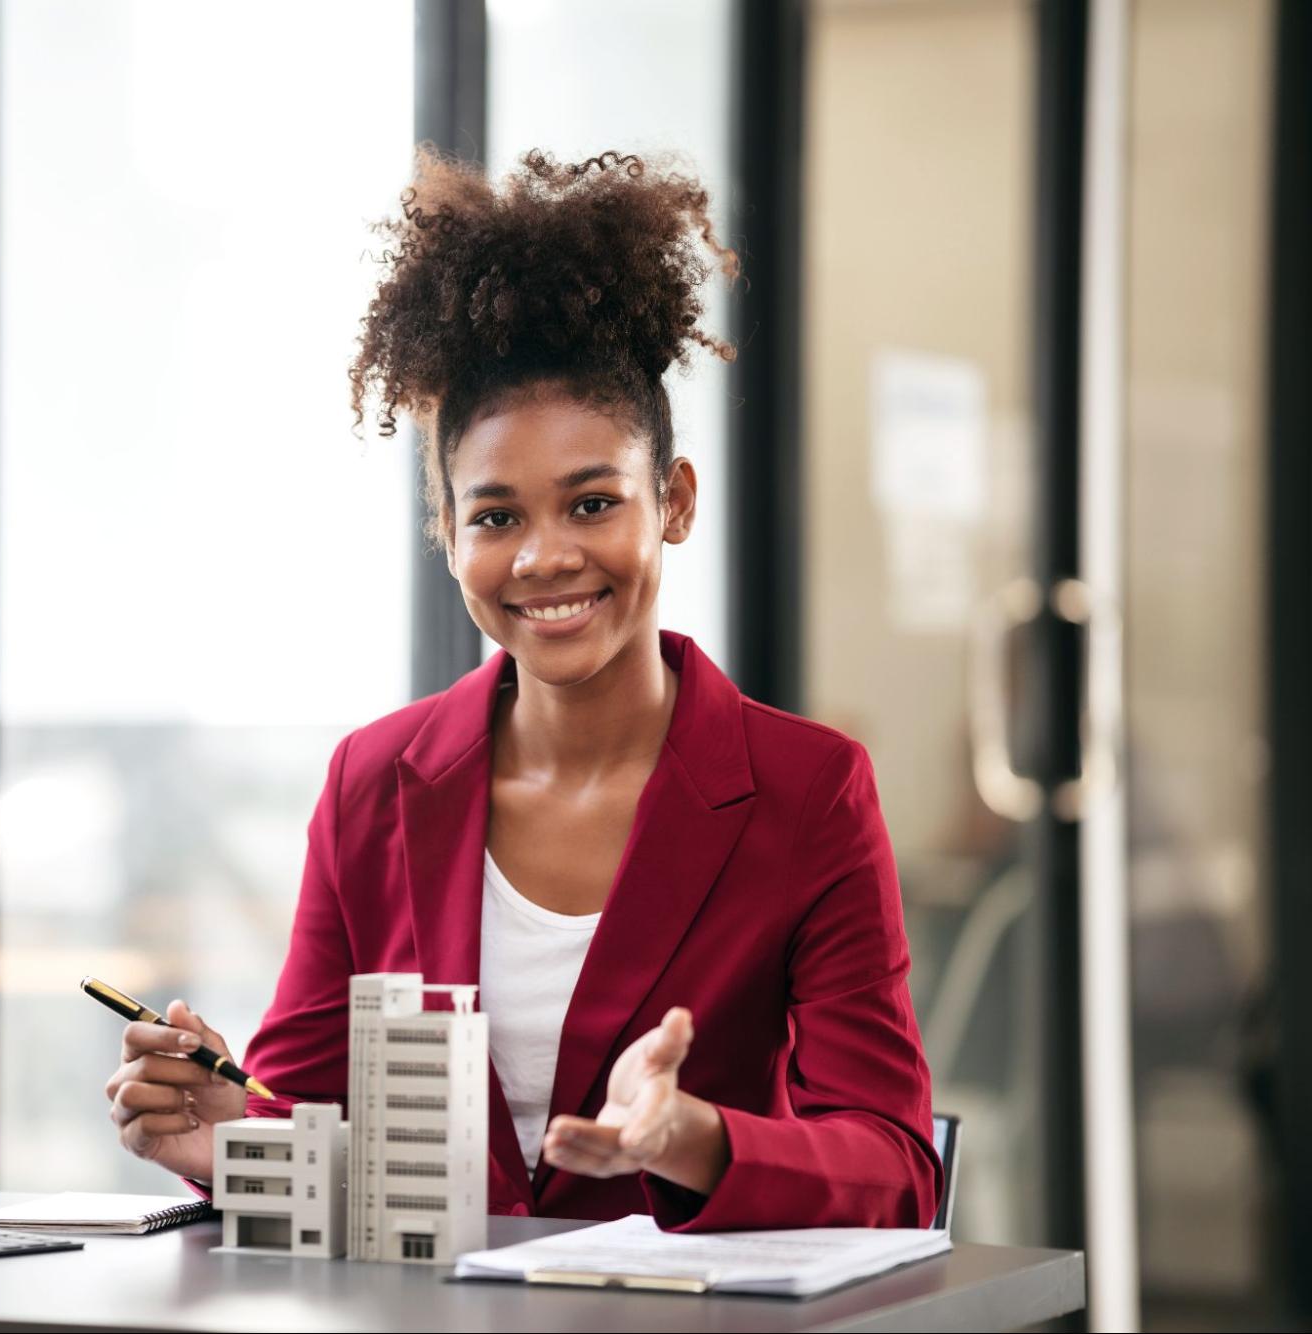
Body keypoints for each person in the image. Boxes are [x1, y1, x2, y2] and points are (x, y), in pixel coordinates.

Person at [102, 148, 941, 1230]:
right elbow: (301, 1106)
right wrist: (223, 1137)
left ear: (672, 501)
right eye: (496, 517)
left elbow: (893, 1167)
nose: (544, 557)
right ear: (448, 537)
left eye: (591, 503)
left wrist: (688, 1133)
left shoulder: (807, 789)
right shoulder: (374, 779)